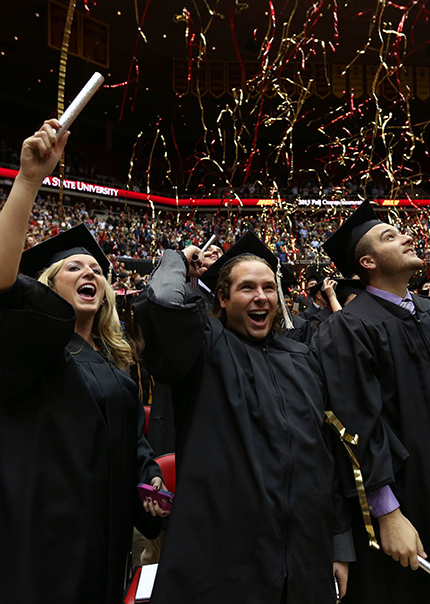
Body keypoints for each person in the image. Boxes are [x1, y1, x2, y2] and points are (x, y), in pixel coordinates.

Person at [0, 120, 164, 603]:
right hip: (43, 541)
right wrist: (28, 180)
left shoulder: (113, 361)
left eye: (98, 270)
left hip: (107, 539)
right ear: (47, 285)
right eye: (75, 267)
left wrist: (149, 479)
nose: (91, 273)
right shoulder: (35, 351)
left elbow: (132, 441)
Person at [134, 230, 351, 604]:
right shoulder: (204, 349)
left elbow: (324, 457)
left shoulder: (303, 359)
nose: (261, 297)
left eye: (269, 287)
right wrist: (178, 261)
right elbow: (165, 305)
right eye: (247, 288)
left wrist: (338, 543)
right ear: (221, 297)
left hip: (301, 558)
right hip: (224, 562)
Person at [315, 200, 430, 604]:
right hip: (407, 501)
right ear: (367, 261)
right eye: (390, 236)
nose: (406, 236)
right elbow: (356, 426)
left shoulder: (429, 313)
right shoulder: (348, 328)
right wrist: (387, 514)